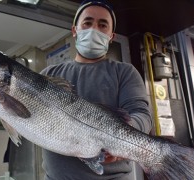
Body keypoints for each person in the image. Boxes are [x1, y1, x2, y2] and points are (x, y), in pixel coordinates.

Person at [40, 0, 152, 179]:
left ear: (111, 36)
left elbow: (142, 115)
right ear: (75, 30)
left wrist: (121, 136)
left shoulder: (124, 72)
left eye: (103, 25)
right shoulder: (49, 74)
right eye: (87, 22)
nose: (94, 29)